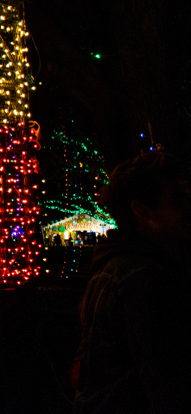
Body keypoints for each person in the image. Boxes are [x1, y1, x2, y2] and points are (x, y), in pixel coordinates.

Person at [72, 151, 191, 413]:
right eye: (178, 199)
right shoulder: (141, 280)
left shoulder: (121, 269)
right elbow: (169, 386)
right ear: (141, 210)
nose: (188, 207)